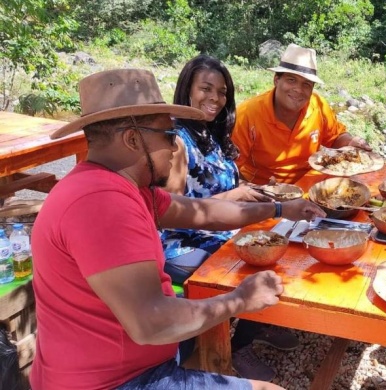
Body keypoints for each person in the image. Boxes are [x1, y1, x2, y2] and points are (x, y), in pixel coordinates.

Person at [31, 68, 325, 390]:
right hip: (115, 382)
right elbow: (151, 323)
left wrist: (280, 208)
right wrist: (240, 299)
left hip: (130, 365)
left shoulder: (124, 187)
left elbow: (206, 212)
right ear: (132, 139)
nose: (175, 147)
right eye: (169, 136)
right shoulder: (101, 202)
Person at [163, 55, 299, 381]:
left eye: (221, 92)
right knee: (264, 261)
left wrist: (252, 189)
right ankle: (237, 347)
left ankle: (266, 322)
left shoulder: (211, 133)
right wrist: (233, 197)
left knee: (286, 241)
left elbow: (224, 185)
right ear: (187, 90)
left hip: (222, 230)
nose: (214, 98)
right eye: (205, 89)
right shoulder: (178, 140)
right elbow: (169, 211)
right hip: (184, 244)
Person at [232, 43, 372, 184]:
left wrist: (350, 142)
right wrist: (253, 193)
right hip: (265, 190)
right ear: (276, 80)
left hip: (310, 186)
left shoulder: (318, 105)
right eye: (291, 80)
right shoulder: (248, 114)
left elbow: (335, 137)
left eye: (306, 84)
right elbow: (229, 169)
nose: (298, 89)